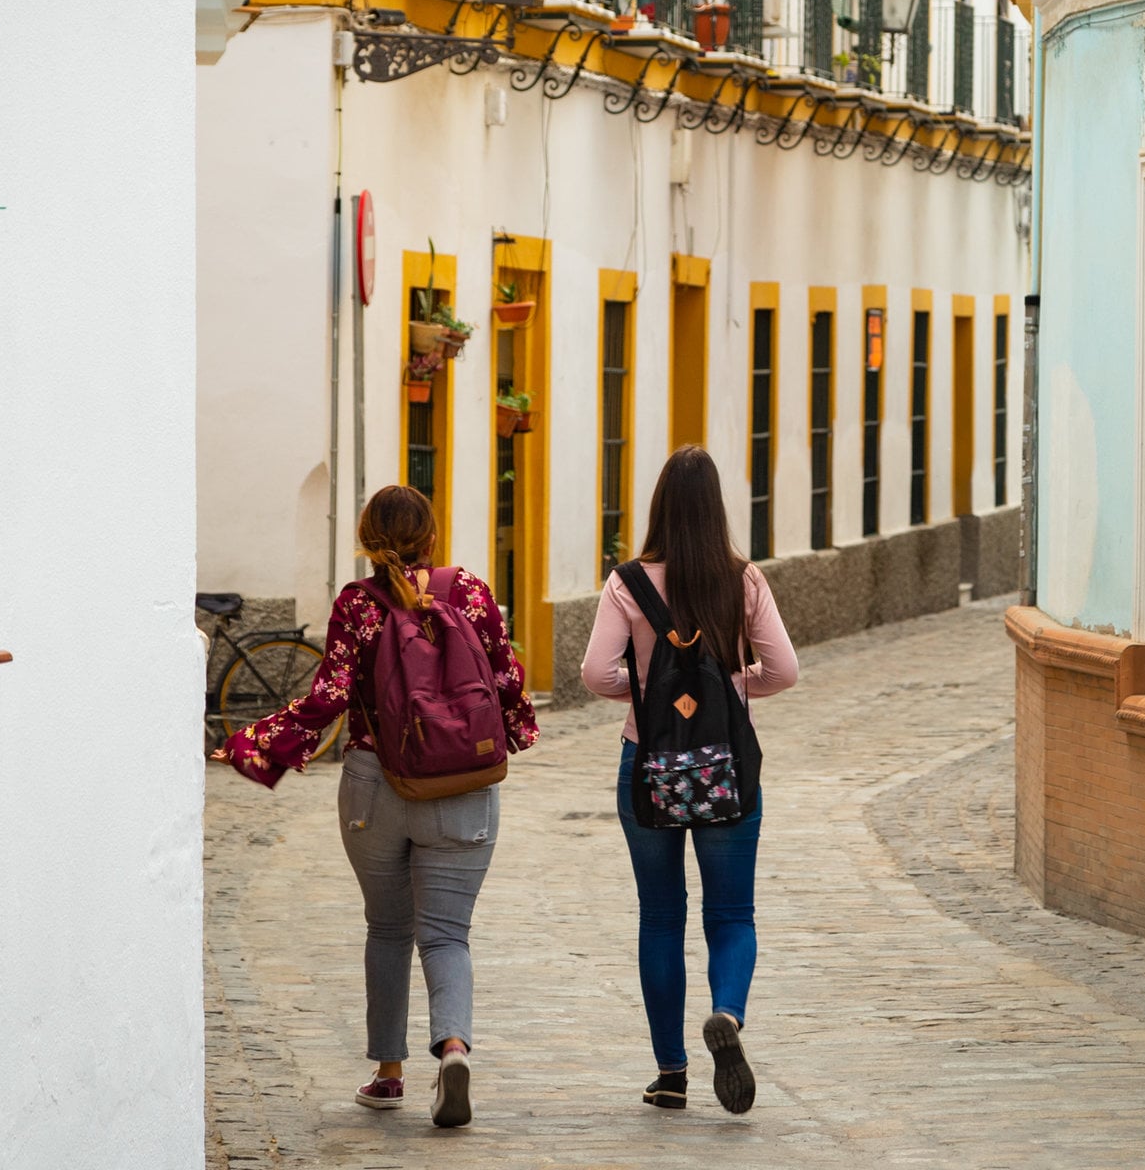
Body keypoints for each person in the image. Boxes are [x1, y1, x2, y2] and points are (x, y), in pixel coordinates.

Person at [218, 485, 538, 1129]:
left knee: (388, 929)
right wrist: (517, 731)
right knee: (447, 934)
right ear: (432, 532)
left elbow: (329, 699)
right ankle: (452, 1048)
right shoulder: (470, 592)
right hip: (462, 786)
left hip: (376, 784)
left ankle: (388, 1076)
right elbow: (506, 679)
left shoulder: (358, 605)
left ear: (366, 539)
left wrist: (256, 746)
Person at [580, 446, 800, 1114]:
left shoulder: (628, 583)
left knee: (661, 915)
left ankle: (670, 1072)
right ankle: (727, 1015)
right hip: (728, 769)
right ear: (715, 510)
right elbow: (784, 670)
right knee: (731, 912)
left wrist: (646, 693)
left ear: (659, 507)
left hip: (649, 768)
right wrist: (733, 690)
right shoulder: (742, 580)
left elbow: (594, 675)